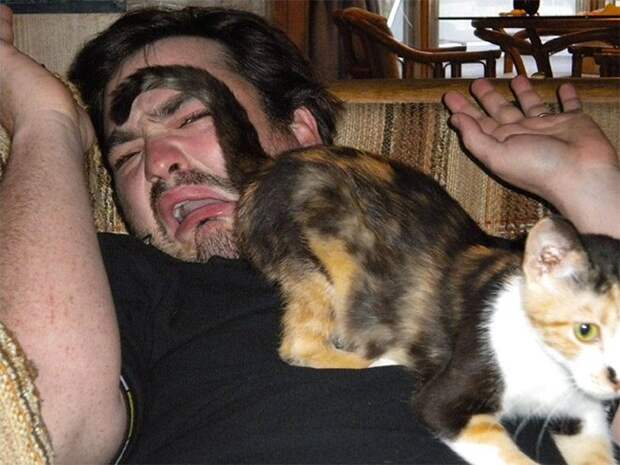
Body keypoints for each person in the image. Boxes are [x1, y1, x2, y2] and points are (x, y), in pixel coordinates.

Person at [0, 4, 618, 464]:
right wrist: (44, 124)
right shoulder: (103, 287)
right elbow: (37, 433)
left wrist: (591, 191)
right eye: (126, 155)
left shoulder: (495, 266)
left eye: (189, 118)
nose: (158, 162)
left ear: (300, 133)